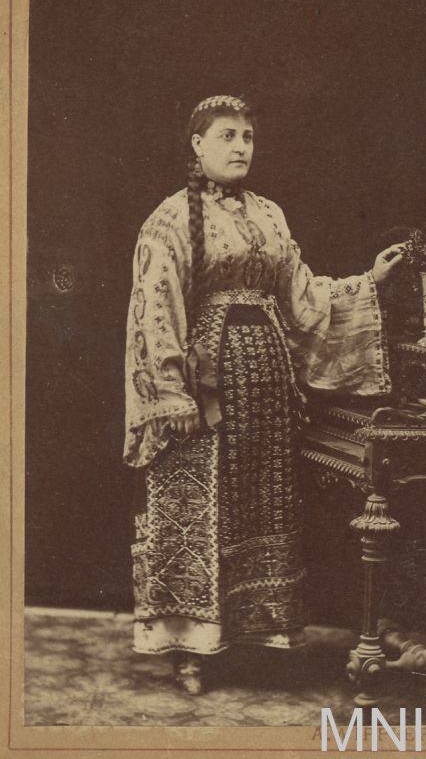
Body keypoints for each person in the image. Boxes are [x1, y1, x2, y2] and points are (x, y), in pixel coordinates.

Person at [124, 94, 403, 694]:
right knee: (199, 512)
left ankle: (251, 636)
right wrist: (172, 395)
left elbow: (303, 298)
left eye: (247, 137)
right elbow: (155, 311)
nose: (240, 147)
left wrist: (369, 281)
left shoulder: (270, 215)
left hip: (268, 392)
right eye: (226, 136)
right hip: (203, 391)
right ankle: (189, 651)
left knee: (257, 506)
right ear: (197, 144)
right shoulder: (169, 219)